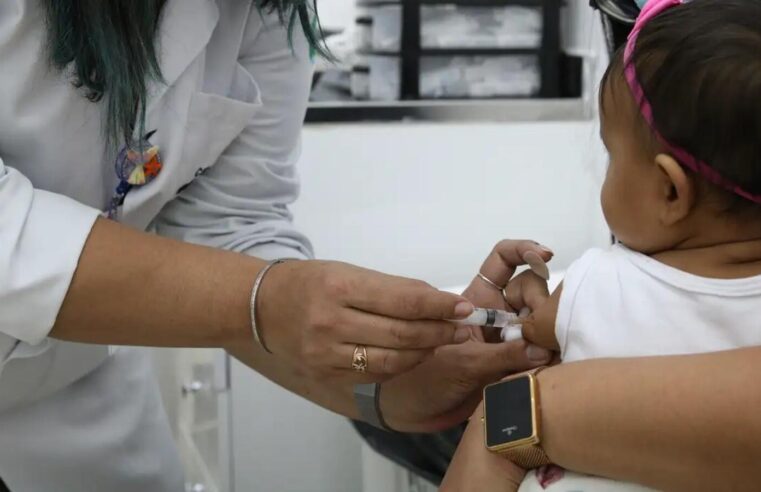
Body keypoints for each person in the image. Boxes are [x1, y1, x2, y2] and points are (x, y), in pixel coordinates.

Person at [0, 1, 558, 490]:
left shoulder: (267, 11)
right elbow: (247, 293)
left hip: (72, 393)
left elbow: (229, 232)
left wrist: (382, 384)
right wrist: (267, 299)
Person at [442, 0, 761, 490]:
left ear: (670, 192)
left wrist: (522, 310)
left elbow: (522, 336)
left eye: (612, 155)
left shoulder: (597, 283)